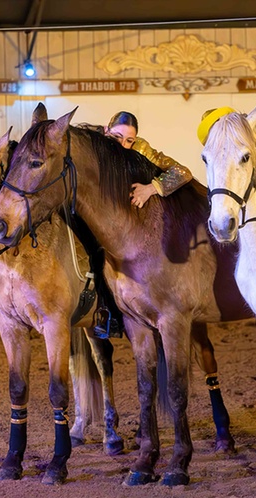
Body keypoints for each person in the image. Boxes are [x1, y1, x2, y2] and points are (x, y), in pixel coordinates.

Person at [80, 111, 194, 338]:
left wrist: (152, 188)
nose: (122, 145)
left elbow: (183, 173)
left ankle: (119, 314)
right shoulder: (93, 147)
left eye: (129, 140)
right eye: (116, 137)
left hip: (126, 222)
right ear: (105, 130)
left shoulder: (141, 149)